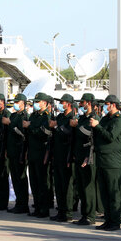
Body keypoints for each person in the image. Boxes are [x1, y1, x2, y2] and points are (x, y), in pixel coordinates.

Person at [90, 95, 121, 231]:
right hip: (102, 160)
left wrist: (98, 126)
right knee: (104, 193)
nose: (106, 106)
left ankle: (115, 221)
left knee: (113, 193)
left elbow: (110, 137)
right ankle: (108, 219)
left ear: (113, 104)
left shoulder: (119, 120)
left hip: (113, 161)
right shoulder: (106, 118)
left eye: (107, 104)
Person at [23, 92, 53, 218]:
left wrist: (30, 127)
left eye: (38, 102)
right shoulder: (34, 116)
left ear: (45, 103)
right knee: (34, 182)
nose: (36, 104)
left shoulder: (47, 117)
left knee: (42, 182)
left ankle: (44, 209)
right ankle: (37, 206)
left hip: (42, 152)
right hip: (32, 152)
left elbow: (43, 132)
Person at [72, 93, 100, 226]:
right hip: (79, 155)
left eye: (82, 102)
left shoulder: (93, 118)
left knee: (88, 187)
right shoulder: (83, 118)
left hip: (87, 156)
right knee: (82, 187)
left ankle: (90, 215)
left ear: (88, 103)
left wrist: (86, 158)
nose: (80, 104)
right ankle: (84, 214)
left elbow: (92, 139)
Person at [49, 93, 76, 222]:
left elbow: (69, 134)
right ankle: (61, 210)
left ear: (69, 104)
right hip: (58, 154)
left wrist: (56, 127)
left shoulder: (72, 118)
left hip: (67, 155)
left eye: (63, 102)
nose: (61, 104)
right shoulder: (60, 116)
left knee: (67, 185)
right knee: (58, 185)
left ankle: (68, 212)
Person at [6, 93, 30, 214]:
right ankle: (18, 202)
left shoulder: (25, 115)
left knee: (21, 179)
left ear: (23, 103)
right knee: (15, 178)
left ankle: (23, 204)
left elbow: (23, 133)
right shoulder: (14, 115)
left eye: (17, 102)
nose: (15, 104)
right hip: (12, 151)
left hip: (20, 151)